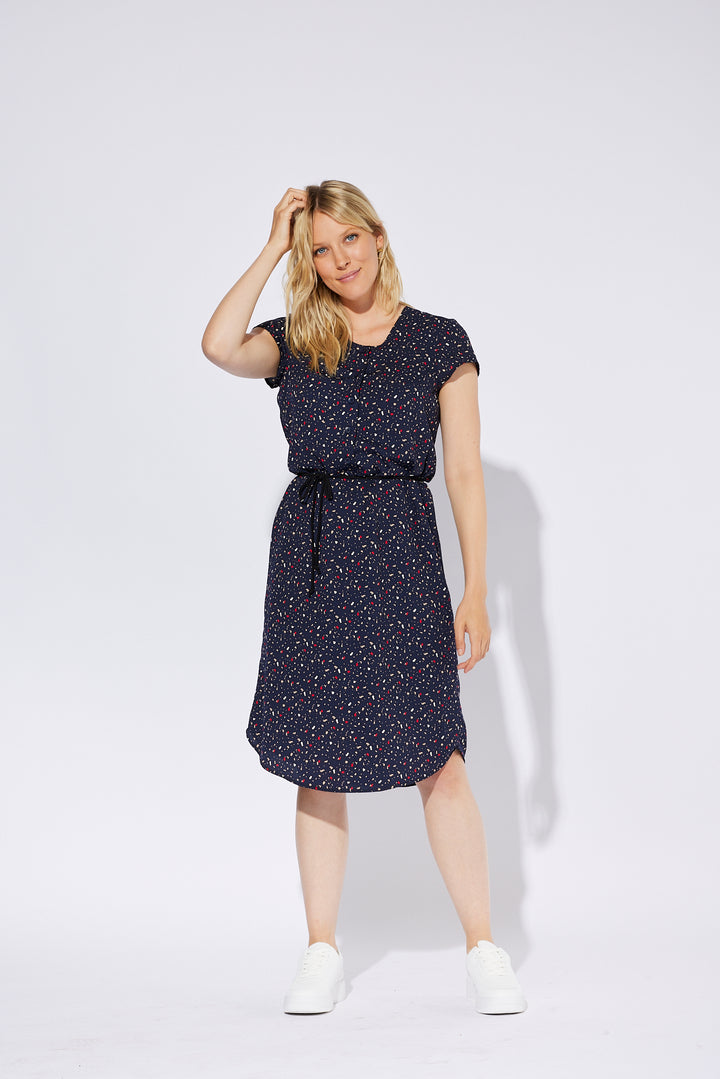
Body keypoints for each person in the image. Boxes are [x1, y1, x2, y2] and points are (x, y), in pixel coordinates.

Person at [201, 181, 527, 1017]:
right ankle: (322, 948)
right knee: (317, 762)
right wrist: (272, 245)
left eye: (349, 238)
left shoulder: (440, 341)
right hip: (311, 563)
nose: (338, 259)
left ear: (378, 237)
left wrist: (476, 587)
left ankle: (483, 946)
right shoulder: (297, 339)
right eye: (319, 248)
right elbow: (217, 344)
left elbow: (463, 474)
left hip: (402, 557)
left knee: (437, 756)